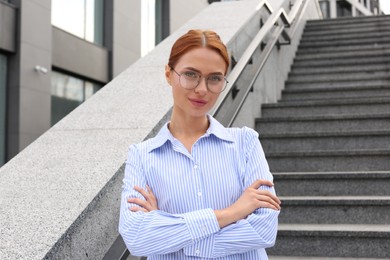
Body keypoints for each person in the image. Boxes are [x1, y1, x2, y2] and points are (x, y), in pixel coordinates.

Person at [119, 29, 281, 259]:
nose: (202, 89)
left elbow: (263, 230)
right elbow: (137, 238)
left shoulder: (246, 143)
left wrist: (168, 231)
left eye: (214, 78)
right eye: (190, 74)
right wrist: (232, 212)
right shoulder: (142, 155)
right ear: (168, 74)